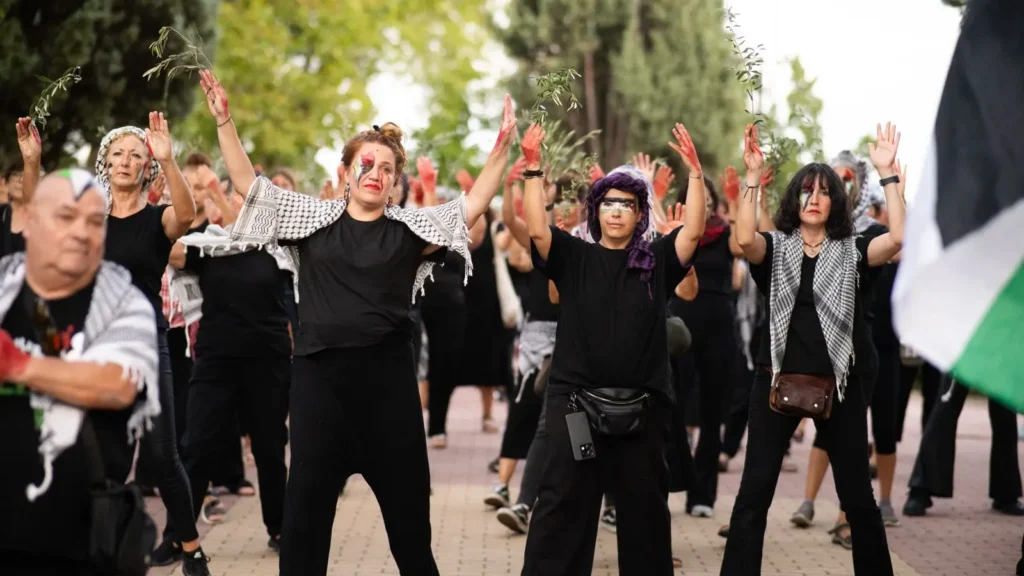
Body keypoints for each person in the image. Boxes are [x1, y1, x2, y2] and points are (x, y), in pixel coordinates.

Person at [197, 69, 517, 575]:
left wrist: (501, 146)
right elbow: (247, 184)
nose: (375, 172)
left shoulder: (411, 230)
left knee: (412, 536)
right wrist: (225, 121)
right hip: (320, 392)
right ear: (345, 172)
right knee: (304, 532)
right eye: (365, 163)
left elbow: (472, 205)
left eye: (386, 168)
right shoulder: (311, 221)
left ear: (394, 183)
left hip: (389, 394)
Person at [521, 120, 706, 576]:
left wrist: (696, 175)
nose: (618, 211)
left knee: (644, 513)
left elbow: (693, 234)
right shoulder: (574, 256)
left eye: (627, 204)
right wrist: (530, 169)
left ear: (640, 213)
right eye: (609, 204)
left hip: (642, 410)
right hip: (577, 409)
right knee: (564, 506)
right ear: (596, 211)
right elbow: (538, 231)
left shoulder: (656, 261)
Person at [723, 122, 904, 575]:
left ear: (836, 202)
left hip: (840, 386)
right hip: (775, 381)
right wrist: (751, 179)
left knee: (859, 500)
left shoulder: (854, 249)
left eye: (825, 191)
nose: (815, 198)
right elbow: (744, 239)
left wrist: (888, 175)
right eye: (806, 190)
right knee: (753, 495)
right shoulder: (777, 248)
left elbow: (898, 240)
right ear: (794, 199)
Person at [0, 169, 160, 574]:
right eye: (66, 217)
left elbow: (116, 384)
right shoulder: (4, 285)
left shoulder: (124, 301)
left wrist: (18, 365)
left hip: (78, 543)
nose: (82, 233)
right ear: (31, 222)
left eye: (94, 222)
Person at [91, 114, 207, 574]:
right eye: (118, 153)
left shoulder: (155, 220)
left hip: (146, 341)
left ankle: (192, 549)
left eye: (136, 155)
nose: (126, 160)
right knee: (107, 457)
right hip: (101, 349)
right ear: (105, 163)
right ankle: (110, 553)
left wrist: (170, 160)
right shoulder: (90, 221)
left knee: (161, 455)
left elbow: (186, 215)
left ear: (146, 169)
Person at [1, 119, 42, 257]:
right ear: (5, 182)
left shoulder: (43, 216)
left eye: (24, 175)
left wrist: (31, 161)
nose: (20, 180)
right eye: (16, 175)